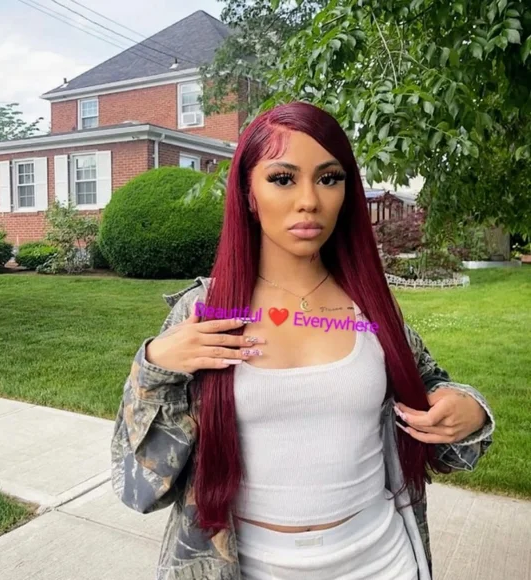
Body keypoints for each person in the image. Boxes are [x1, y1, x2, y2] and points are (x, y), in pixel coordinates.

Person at [110, 102, 495, 580]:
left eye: (329, 178)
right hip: (248, 567)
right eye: (283, 179)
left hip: (383, 562)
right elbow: (139, 487)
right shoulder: (205, 314)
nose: (309, 200)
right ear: (248, 192)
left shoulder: (370, 308)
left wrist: (470, 410)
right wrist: (154, 367)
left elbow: (434, 394)